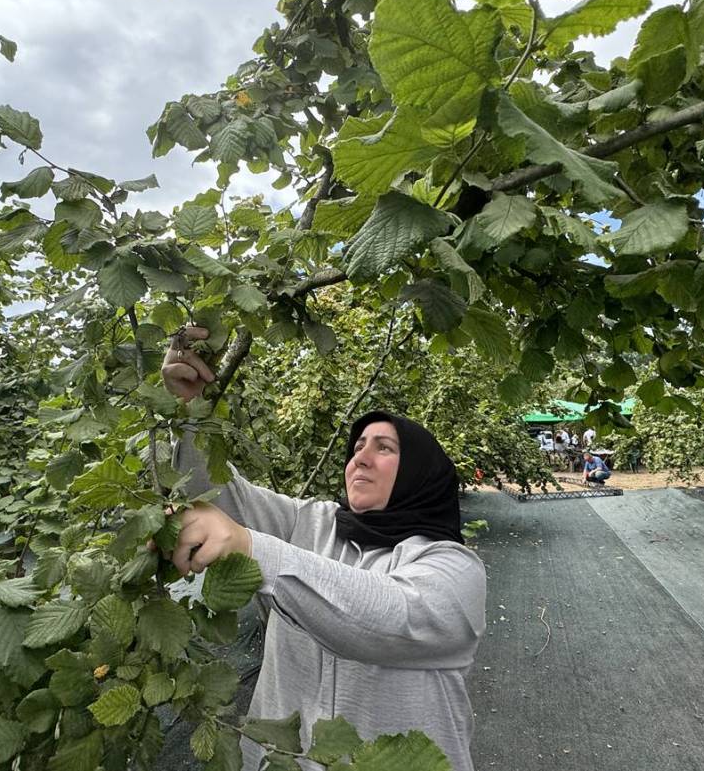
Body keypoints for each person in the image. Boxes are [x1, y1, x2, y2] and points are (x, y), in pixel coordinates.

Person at [161, 327, 488, 771]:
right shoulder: (313, 522)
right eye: (357, 448)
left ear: (420, 472)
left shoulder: (453, 568)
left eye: (385, 448)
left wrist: (255, 548)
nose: (361, 458)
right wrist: (190, 410)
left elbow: (390, 618)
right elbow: (210, 495)